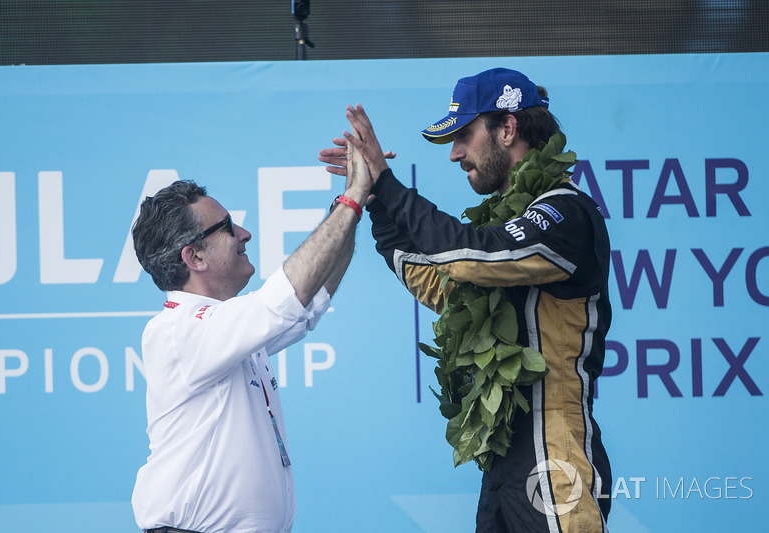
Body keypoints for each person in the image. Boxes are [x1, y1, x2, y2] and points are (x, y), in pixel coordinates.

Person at [319, 68, 612, 532]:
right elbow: (439, 283)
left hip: (555, 452)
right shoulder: (506, 226)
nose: (455, 153)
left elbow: (476, 255)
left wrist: (391, 185)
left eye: (464, 136)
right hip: (501, 463)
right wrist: (375, 198)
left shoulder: (566, 212)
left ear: (508, 128)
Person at [130, 144, 371, 533]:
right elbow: (282, 300)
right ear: (194, 258)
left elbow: (310, 299)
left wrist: (350, 210)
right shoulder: (179, 330)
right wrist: (351, 198)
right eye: (226, 227)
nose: (244, 233)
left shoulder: (226, 329)